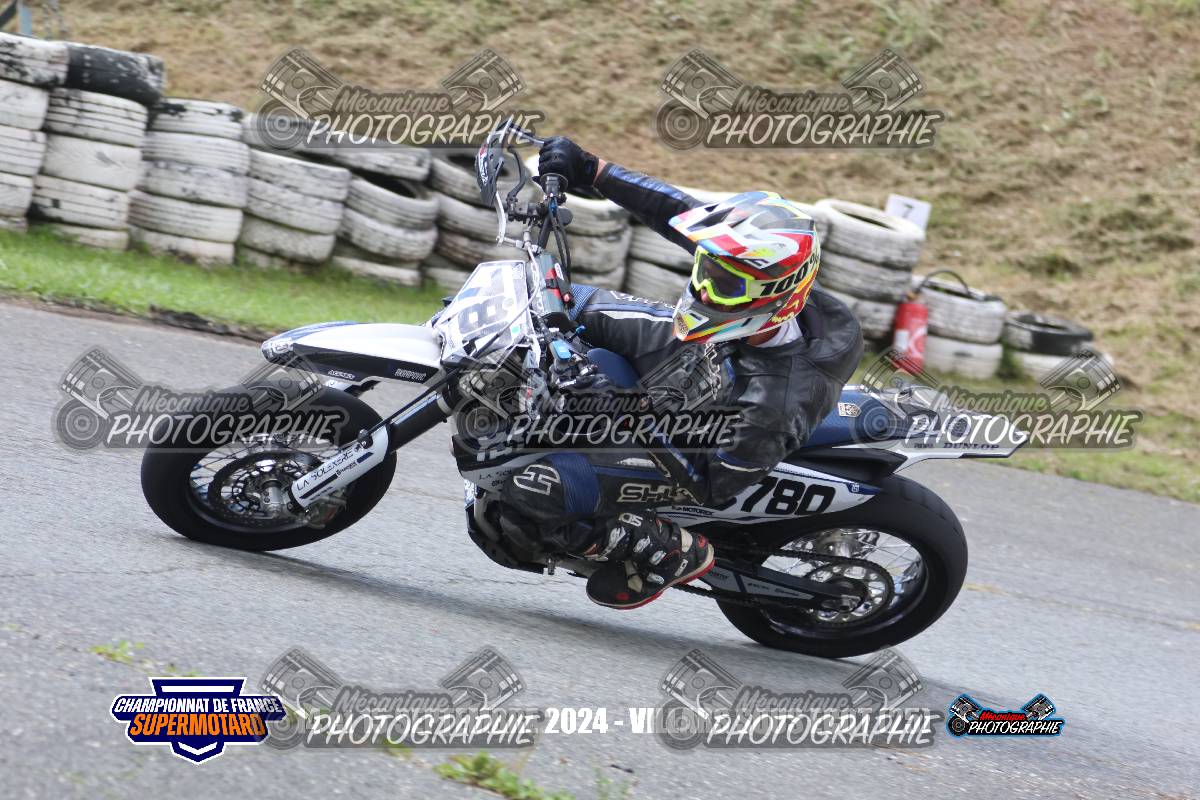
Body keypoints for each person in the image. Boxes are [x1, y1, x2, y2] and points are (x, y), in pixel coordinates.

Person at [496, 136, 863, 610]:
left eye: (723, 284)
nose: (705, 288)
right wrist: (593, 169)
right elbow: (678, 213)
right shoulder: (757, 282)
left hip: (699, 447)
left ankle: (672, 553)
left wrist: (620, 410)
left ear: (773, 297)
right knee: (559, 302)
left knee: (534, 491)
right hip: (705, 356)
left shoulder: (780, 400)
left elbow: (712, 483)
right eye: (707, 269)